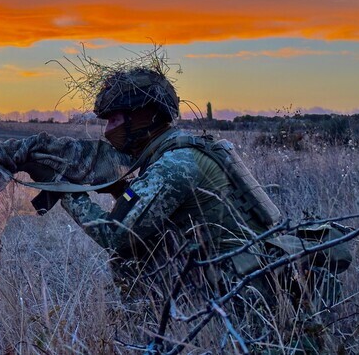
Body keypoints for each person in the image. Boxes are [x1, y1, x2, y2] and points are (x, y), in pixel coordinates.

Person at [54, 68, 343, 353]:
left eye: (115, 119)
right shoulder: (182, 150)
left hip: (241, 303)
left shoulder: (174, 165)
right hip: (245, 285)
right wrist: (121, 191)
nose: (108, 131)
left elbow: (117, 237)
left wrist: (63, 190)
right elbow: (149, 215)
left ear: (143, 116)